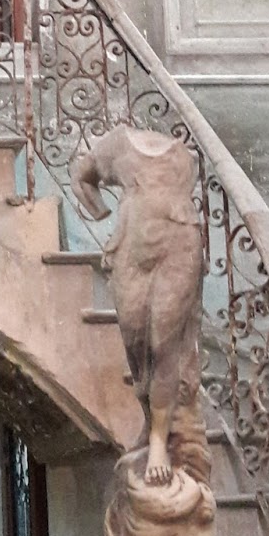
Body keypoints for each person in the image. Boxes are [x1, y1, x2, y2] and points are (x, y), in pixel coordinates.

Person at [70, 125, 204, 486]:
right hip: (131, 248)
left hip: (180, 244)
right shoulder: (117, 141)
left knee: (163, 344)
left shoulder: (187, 150)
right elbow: (81, 176)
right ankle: (151, 419)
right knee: (136, 341)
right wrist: (99, 211)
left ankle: (159, 441)